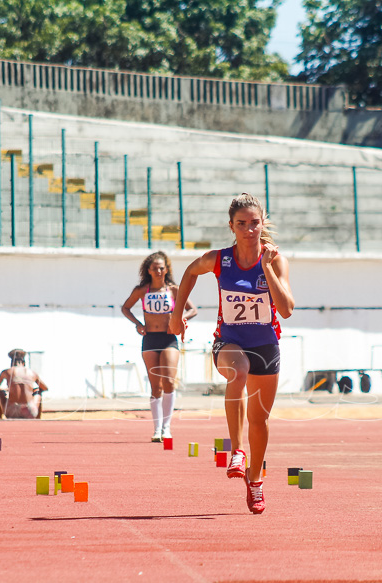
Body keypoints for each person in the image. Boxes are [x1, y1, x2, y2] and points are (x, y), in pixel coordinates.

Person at [169, 193, 295, 514]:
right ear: (231, 226)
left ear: (262, 222)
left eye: (254, 223)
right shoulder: (219, 259)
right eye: (242, 224)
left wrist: (266, 270)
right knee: (238, 370)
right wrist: (177, 312)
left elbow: (287, 309)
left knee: (260, 421)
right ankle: (236, 451)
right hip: (229, 340)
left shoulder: (276, 260)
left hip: (265, 344)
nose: (249, 230)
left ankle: (255, 481)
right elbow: (189, 272)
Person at [121, 251, 198, 442]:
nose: (158, 271)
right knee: (156, 387)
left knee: (169, 382)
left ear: (166, 270)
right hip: (150, 339)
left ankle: (167, 427)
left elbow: (192, 309)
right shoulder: (142, 290)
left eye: (161, 268)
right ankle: (156, 430)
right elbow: (125, 307)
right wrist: (138, 324)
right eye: (154, 268)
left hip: (169, 338)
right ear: (148, 270)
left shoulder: (173, 289)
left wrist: (180, 318)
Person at [0, 349, 47, 419]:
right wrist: (32, 390)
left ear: (12, 362)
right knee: (38, 391)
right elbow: (45, 388)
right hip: (30, 412)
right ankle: (37, 420)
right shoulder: (32, 373)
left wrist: (6, 390)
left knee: (0, 392)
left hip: (11, 412)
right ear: (24, 363)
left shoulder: (6, 372)